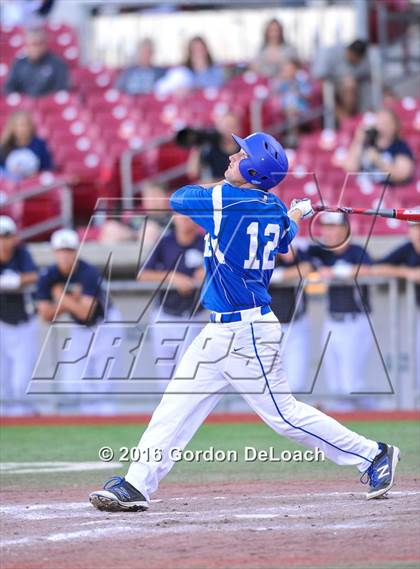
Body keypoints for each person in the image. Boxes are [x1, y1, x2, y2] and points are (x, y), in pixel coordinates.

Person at [89, 131, 400, 512]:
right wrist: (296, 213)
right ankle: (137, 484)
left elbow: (176, 198)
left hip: (246, 331)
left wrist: (272, 202)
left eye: (242, 155)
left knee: (284, 415)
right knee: (176, 404)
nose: (233, 156)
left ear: (254, 169)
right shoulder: (270, 207)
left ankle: (373, 454)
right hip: (221, 330)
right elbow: (285, 236)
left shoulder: (228, 199)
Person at [36, 229, 123, 414]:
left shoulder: (88, 272)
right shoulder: (48, 275)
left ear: (76, 251)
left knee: (104, 381)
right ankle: (89, 419)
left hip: (106, 325)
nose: (65, 255)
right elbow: (45, 315)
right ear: (54, 251)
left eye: (69, 250)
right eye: (61, 250)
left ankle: (107, 420)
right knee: (73, 380)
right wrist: (72, 300)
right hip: (80, 328)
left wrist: (61, 296)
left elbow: (86, 312)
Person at [308, 212, 374, 410]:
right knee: (335, 383)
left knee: (350, 384)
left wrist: (338, 272)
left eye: (335, 227)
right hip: (331, 321)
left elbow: (371, 270)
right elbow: (299, 257)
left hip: (355, 321)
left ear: (345, 229)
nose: (330, 232)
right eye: (327, 227)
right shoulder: (321, 252)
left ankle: (371, 413)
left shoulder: (356, 251)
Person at [138, 214, 206, 389]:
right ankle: (167, 416)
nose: (185, 220)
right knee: (165, 378)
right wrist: (173, 277)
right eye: (180, 215)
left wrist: (207, 272)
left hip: (192, 316)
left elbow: (220, 271)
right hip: (164, 315)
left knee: (189, 376)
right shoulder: (165, 242)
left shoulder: (205, 243)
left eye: (189, 216)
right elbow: (143, 275)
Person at [370, 221, 420, 388]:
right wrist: (407, 272)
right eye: (415, 227)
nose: (418, 232)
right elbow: (376, 268)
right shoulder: (408, 249)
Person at [0, 216, 39, 416]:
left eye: (6, 236)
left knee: (21, 380)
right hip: (1, 325)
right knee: (2, 378)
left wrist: (15, 280)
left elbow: (34, 275)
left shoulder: (21, 253)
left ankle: (23, 417)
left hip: (23, 323)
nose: (3, 242)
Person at [269, 247, 312, 393]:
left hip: (294, 326)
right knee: (266, 384)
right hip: (263, 329)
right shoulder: (255, 253)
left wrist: (280, 275)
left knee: (295, 384)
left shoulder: (294, 254)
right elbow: (250, 276)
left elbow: (307, 268)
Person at [343, 108, 414, 186]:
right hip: (363, 192)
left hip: (388, 193)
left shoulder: (400, 147)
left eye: (386, 123)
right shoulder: (366, 144)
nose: (381, 127)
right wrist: (358, 140)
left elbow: (402, 175)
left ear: (395, 126)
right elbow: (350, 168)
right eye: (379, 122)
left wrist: (378, 160)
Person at [312, 39, 371, 120]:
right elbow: (320, 80)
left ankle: (350, 119)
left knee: (352, 84)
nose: (357, 61)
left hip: (350, 91)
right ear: (350, 52)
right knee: (348, 84)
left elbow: (368, 76)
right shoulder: (331, 52)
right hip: (329, 87)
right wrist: (338, 110)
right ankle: (344, 119)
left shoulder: (363, 60)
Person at [5, 27, 69, 97]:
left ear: (45, 44)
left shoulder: (56, 63)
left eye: (40, 44)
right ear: (26, 45)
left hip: (49, 105)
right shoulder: (19, 63)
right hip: (24, 105)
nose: (36, 48)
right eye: (33, 44)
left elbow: (61, 90)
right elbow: (9, 89)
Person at [155, 36, 224, 96]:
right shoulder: (183, 72)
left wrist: (193, 89)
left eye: (201, 49)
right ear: (190, 53)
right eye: (195, 50)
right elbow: (162, 88)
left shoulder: (215, 71)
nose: (198, 53)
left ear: (206, 51)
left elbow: (217, 88)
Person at [186, 111, 242, 182]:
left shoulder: (244, 150)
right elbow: (192, 172)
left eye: (232, 126)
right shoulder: (211, 148)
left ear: (239, 128)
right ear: (218, 128)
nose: (228, 130)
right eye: (226, 126)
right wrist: (197, 146)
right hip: (215, 188)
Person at [0, 110, 53, 180]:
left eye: (26, 125)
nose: (24, 129)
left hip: (35, 185)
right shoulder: (5, 146)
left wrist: (37, 174)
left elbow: (48, 167)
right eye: (20, 125)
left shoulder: (39, 144)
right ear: (12, 128)